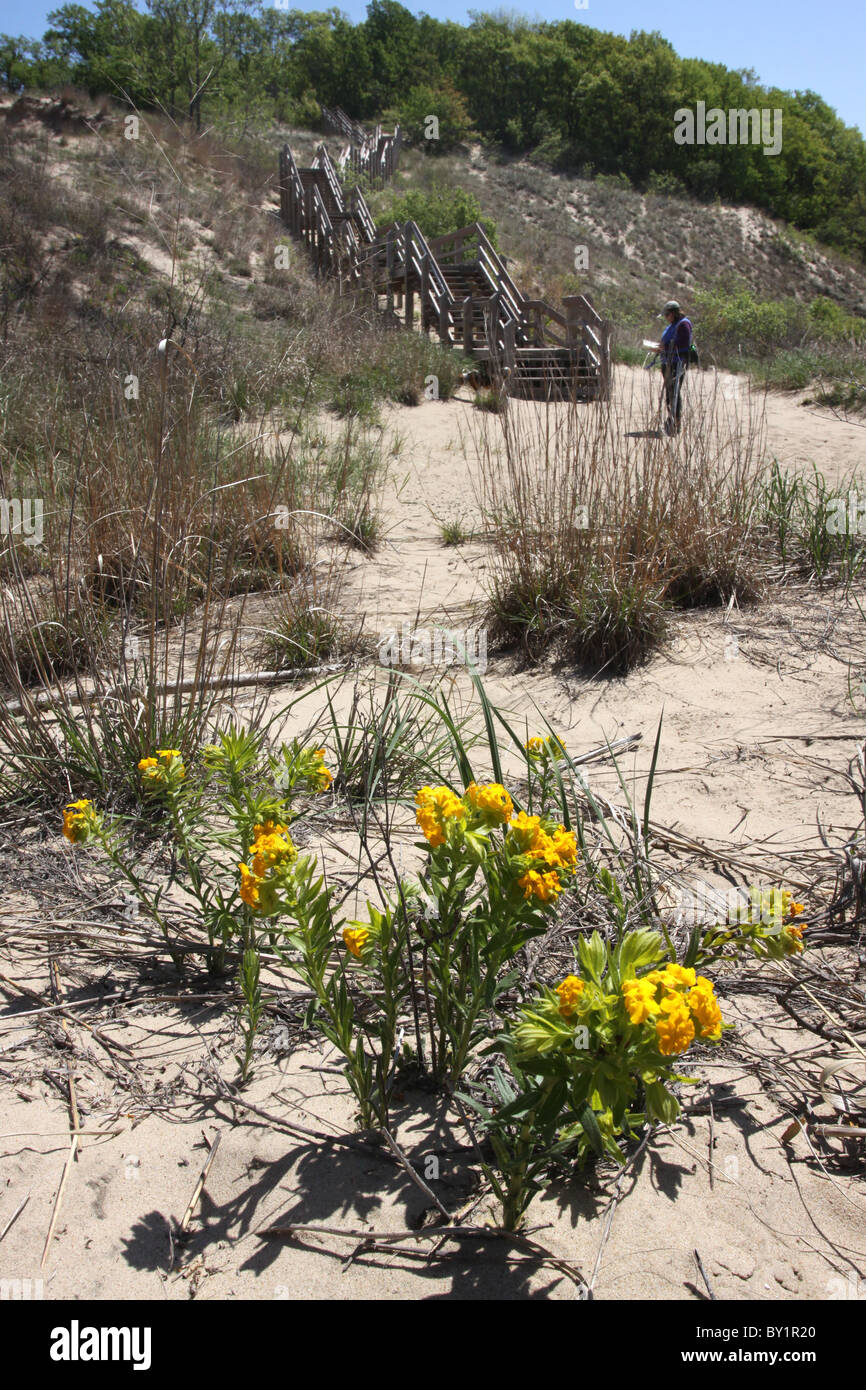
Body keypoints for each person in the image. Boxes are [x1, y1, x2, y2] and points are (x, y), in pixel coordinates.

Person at [650, 301, 693, 435]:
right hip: (667, 361)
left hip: (677, 362)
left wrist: (666, 347)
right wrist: (660, 348)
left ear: (674, 313)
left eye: (667, 314)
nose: (666, 317)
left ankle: (676, 422)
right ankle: (671, 419)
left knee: (674, 392)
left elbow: (684, 343)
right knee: (669, 392)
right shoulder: (672, 325)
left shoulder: (684, 324)